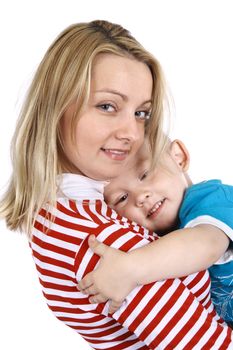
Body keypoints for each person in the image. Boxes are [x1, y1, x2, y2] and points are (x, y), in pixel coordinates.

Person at [0, 19, 232, 349]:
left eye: (141, 113)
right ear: (55, 107)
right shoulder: (102, 243)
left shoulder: (64, 214)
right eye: (107, 106)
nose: (132, 134)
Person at [78, 138, 233, 325]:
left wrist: (130, 268)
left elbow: (206, 244)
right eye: (122, 198)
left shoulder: (213, 200)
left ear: (178, 157)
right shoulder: (152, 240)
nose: (141, 196)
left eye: (145, 175)